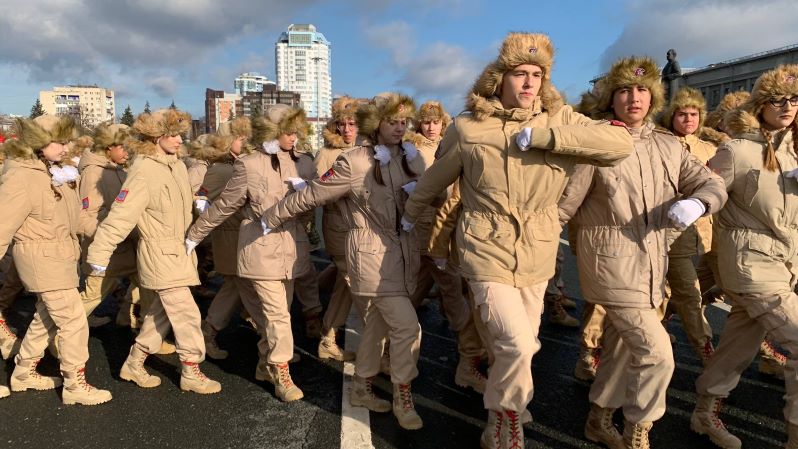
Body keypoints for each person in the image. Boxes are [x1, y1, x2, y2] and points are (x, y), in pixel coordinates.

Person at [400, 32, 635, 448]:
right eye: (520, 73)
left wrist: (547, 138)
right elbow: (436, 178)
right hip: (485, 247)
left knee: (521, 344)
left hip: (537, 250)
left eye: (537, 75)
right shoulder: (469, 127)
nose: (529, 83)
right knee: (518, 343)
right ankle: (506, 420)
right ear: (500, 78)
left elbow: (619, 143)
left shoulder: (560, 119)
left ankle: (501, 408)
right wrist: (408, 217)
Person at [559, 56, 726, 449]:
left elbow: (710, 182)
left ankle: (599, 418)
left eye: (641, 90)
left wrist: (699, 202)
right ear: (610, 98)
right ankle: (639, 429)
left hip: (652, 264)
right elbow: (564, 206)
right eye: (623, 90)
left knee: (620, 346)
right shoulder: (597, 142)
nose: (633, 97)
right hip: (610, 263)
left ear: (653, 97)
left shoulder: (668, 145)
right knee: (657, 354)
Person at [261, 93, 427, 430]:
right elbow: (312, 193)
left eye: (403, 122)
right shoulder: (355, 162)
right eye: (391, 121)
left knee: (376, 327)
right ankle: (403, 396)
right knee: (408, 327)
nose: (399, 128)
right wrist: (271, 217)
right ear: (375, 123)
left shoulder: (412, 158)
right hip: (370, 257)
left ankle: (361, 389)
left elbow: (432, 195)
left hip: (404, 255)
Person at [691, 64, 798, 449]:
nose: (787, 106)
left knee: (739, 342)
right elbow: (709, 187)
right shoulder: (737, 149)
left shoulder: (791, 152)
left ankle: (704, 412)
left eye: (794, 99)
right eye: (777, 99)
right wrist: (698, 205)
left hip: (782, 265)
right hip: (750, 265)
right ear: (760, 104)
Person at [87, 109, 221, 395]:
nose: (179, 140)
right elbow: (121, 215)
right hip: (159, 253)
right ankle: (191, 370)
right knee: (186, 313)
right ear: (156, 136)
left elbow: (181, 206)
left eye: (180, 134)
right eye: (172, 134)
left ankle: (134, 363)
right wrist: (99, 253)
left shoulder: (177, 166)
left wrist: (198, 205)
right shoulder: (143, 170)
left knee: (159, 314)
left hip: (180, 252)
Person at [186, 105, 314, 402]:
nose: (294, 138)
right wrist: (195, 235)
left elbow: (315, 202)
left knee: (279, 313)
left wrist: (309, 195)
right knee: (277, 316)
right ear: (272, 131)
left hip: (291, 250)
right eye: (288, 132)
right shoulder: (249, 164)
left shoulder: (304, 163)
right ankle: (281, 372)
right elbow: (225, 205)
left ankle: (264, 364)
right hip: (259, 249)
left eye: (296, 132)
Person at [0, 115, 113, 405]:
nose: (66, 148)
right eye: (59, 142)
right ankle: (75, 384)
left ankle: (23, 372)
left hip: (61, 257)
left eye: (66, 141)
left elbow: (75, 219)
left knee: (46, 317)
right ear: (38, 142)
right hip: (41, 259)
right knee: (74, 320)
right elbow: (2, 225)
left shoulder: (56, 172)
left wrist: (108, 234)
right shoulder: (22, 176)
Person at [407, 100, 487, 392]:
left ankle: (386, 344)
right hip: (422, 227)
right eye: (426, 122)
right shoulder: (411, 149)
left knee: (417, 291)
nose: (431, 127)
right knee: (450, 291)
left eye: (435, 122)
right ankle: (470, 356)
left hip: (444, 228)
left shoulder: (449, 143)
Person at [658, 86, 718, 365]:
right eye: (682, 114)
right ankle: (705, 350)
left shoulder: (709, 148)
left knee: (678, 293)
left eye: (694, 114)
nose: (689, 119)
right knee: (689, 294)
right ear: (671, 116)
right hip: (666, 233)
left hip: (701, 233)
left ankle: (662, 324)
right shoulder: (660, 143)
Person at [190, 117, 255, 360]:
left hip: (239, 235)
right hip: (230, 237)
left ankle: (210, 331)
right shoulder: (223, 170)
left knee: (236, 287)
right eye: (239, 137)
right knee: (242, 285)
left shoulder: (236, 165)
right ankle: (268, 338)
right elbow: (201, 199)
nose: (244, 141)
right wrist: (205, 219)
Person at [77, 123, 148, 330]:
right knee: (92, 296)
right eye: (124, 147)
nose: (128, 153)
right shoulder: (94, 172)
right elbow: (85, 217)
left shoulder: (118, 169)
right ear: (109, 146)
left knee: (147, 287)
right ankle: (54, 335)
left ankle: (130, 319)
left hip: (125, 247)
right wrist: (110, 237)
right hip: (108, 251)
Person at [314, 96, 364, 362]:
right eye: (342, 124)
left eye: (352, 124)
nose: (347, 130)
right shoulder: (327, 154)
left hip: (361, 228)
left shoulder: (365, 149)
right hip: (338, 226)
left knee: (344, 288)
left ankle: (327, 337)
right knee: (358, 285)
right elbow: (319, 190)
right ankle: (382, 350)